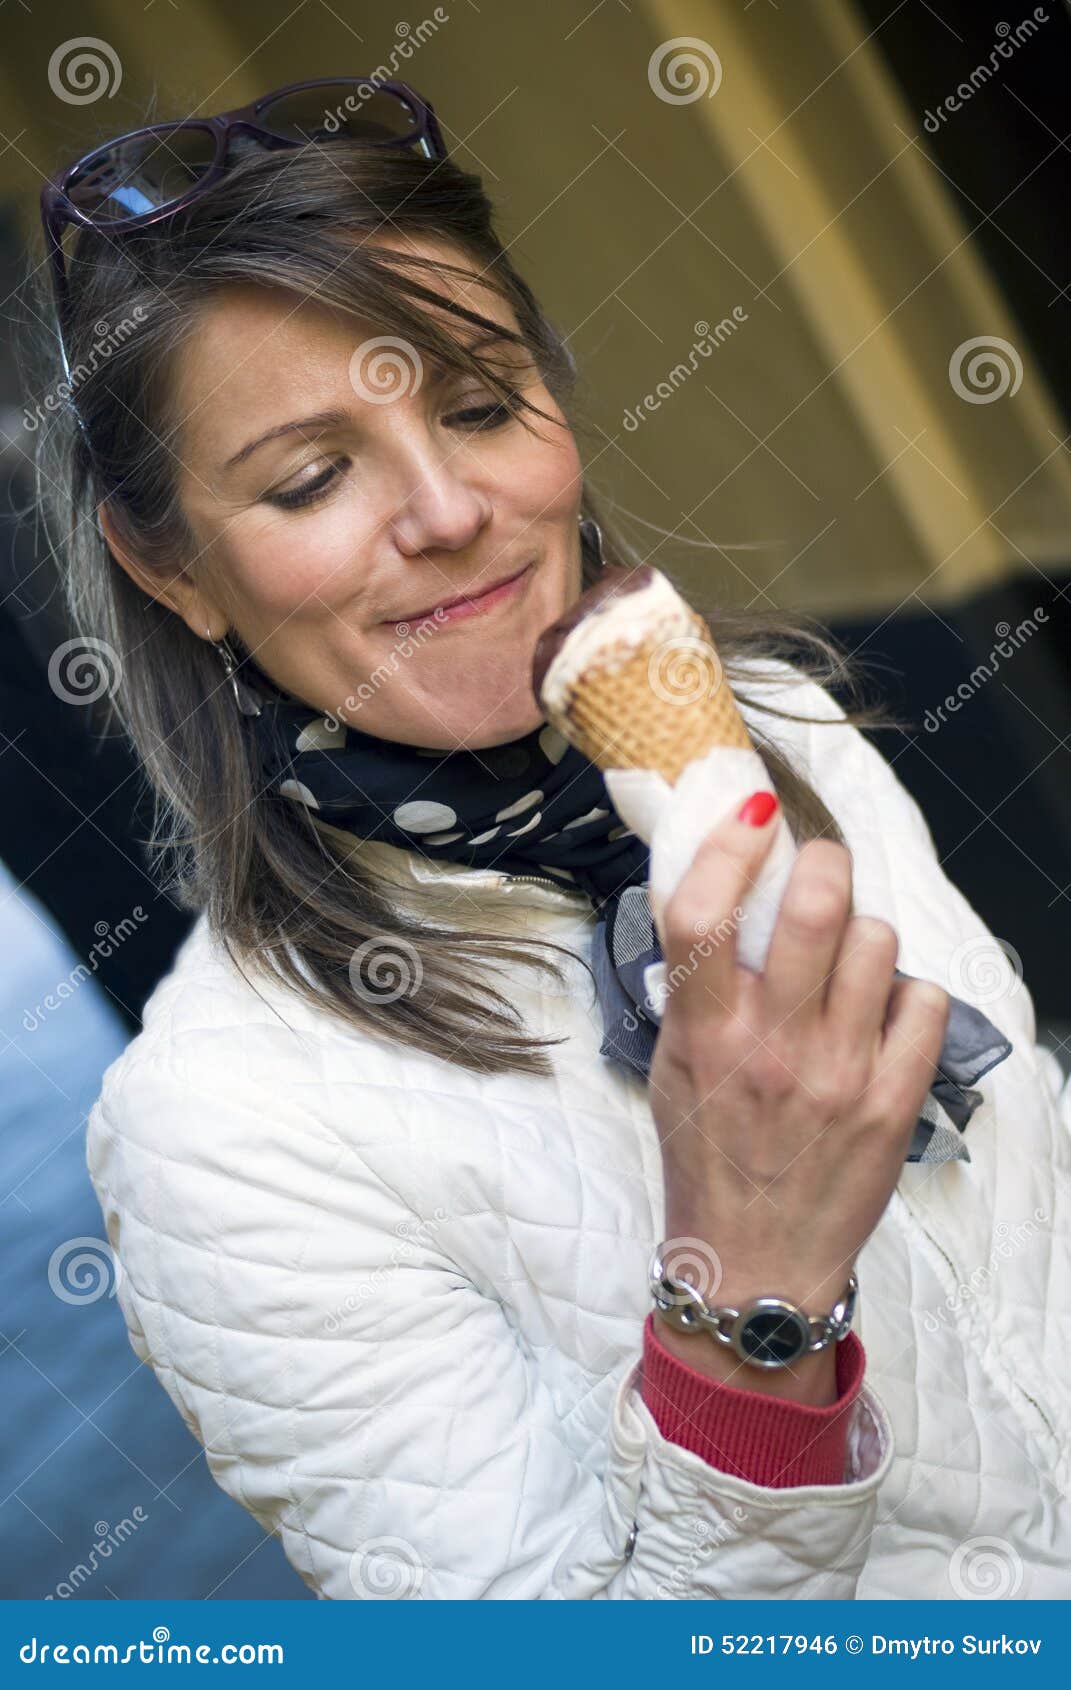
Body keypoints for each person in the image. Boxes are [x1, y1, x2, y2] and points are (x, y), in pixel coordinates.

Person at [33, 77, 1070, 1600]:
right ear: (170, 566)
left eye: (477, 405)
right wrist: (751, 1286)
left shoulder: (785, 728)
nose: (449, 509)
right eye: (311, 478)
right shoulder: (228, 1136)